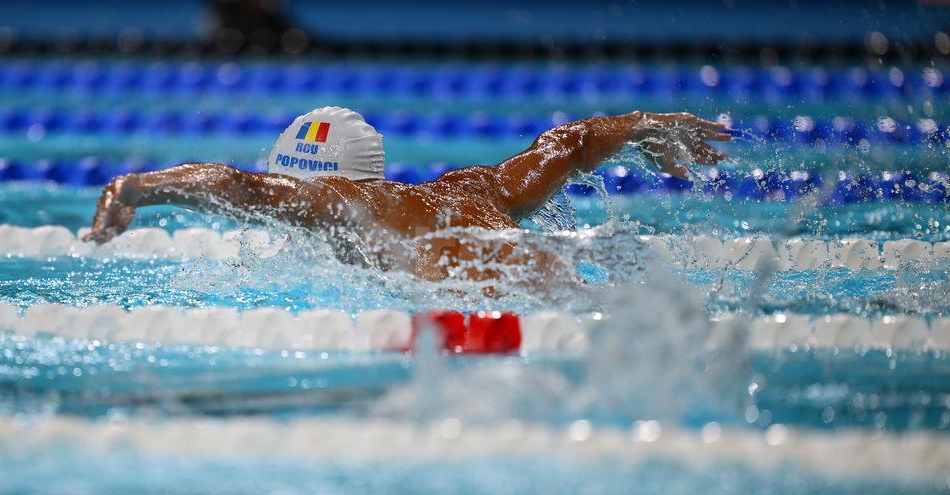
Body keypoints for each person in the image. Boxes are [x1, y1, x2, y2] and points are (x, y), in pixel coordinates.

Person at [84, 107, 730, 289]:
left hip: (485, 295)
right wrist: (644, 125)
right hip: (554, 274)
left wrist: (137, 186)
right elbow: (570, 142)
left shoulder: (337, 200)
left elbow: (237, 186)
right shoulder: (475, 188)